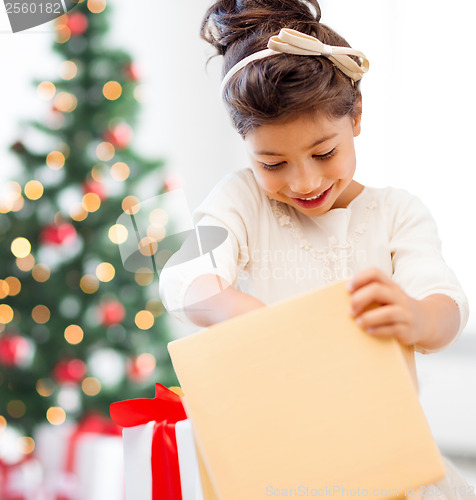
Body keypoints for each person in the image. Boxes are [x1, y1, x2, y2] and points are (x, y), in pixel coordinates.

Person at [159, 0, 474, 496]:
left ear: (356, 116)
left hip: (386, 468)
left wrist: (417, 317)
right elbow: (180, 277)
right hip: (282, 466)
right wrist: (236, 310)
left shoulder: (395, 213)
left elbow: (447, 306)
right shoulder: (242, 201)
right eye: (272, 163)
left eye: (323, 152)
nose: (304, 181)